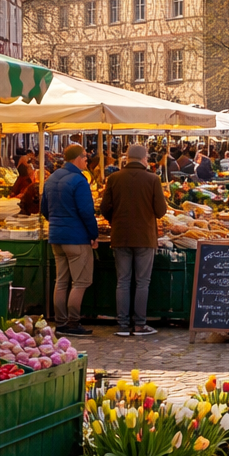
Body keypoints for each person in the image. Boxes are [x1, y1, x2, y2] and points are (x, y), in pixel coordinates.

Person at [98, 144, 169, 337]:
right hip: (145, 237)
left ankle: (122, 325)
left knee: (123, 281)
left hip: (120, 235)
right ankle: (139, 324)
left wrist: (115, 221)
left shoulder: (113, 178)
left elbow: (104, 208)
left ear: (127, 158)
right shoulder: (153, 179)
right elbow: (161, 211)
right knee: (142, 282)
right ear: (143, 158)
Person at [40, 144, 99, 336]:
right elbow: (86, 212)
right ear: (76, 158)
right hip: (76, 237)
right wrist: (93, 234)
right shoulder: (79, 181)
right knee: (80, 281)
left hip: (56, 236)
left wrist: (56, 223)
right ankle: (73, 323)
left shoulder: (51, 178)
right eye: (85, 157)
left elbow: (44, 209)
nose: (87, 160)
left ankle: (61, 322)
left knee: (62, 281)